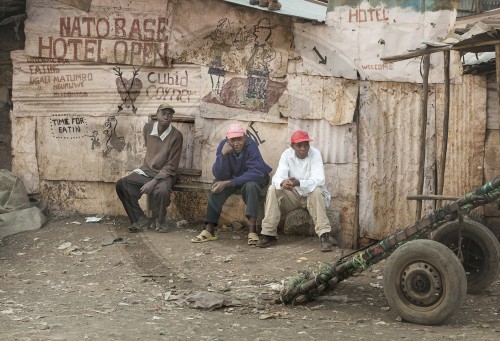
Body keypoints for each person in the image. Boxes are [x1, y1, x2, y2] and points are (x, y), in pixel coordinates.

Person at [191, 123, 272, 245]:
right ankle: (209, 229)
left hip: (255, 177)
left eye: (239, 139)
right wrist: (222, 155)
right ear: (227, 140)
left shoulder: (251, 145)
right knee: (216, 186)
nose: (236, 143)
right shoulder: (223, 147)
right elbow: (219, 174)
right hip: (235, 178)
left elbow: (255, 172)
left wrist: (229, 182)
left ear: (244, 138)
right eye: (233, 140)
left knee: (251, 186)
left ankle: (252, 230)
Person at [256, 130, 334, 252]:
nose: (303, 148)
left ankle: (324, 236)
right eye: (299, 145)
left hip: (310, 196)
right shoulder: (286, 155)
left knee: (318, 191)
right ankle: (268, 234)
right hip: (293, 196)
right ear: (292, 146)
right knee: (273, 189)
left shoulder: (315, 154)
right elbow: (277, 177)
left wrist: (299, 182)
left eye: (306, 145)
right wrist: (283, 183)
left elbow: (319, 180)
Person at [116, 103, 183, 233]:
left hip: (166, 174)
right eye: (163, 113)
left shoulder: (176, 136)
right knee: (121, 185)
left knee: (161, 191)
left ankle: (161, 220)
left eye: (170, 115)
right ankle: (140, 219)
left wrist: (153, 181)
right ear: (157, 115)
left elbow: (172, 165)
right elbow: (150, 149)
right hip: (146, 171)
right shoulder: (148, 128)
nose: (166, 116)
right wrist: (149, 176)